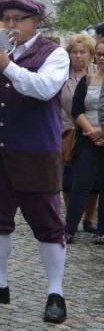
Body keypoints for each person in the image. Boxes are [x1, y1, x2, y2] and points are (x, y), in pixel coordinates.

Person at [0, 0, 69, 324]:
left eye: (18, 18)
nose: (11, 25)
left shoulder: (55, 53)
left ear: (36, 21)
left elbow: (44, 89)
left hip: (36, 152)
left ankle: (55, 292)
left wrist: (7, 65)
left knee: (48, 225)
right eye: (6, 18)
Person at [65, 40, 104, 242]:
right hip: (87, 139)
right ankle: (69, 229)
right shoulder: (87, 81)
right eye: (99, 54)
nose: (101, 58)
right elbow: (76, 110)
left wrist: (102, 131)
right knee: (80, 185)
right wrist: (92, 131)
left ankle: (101, 231)